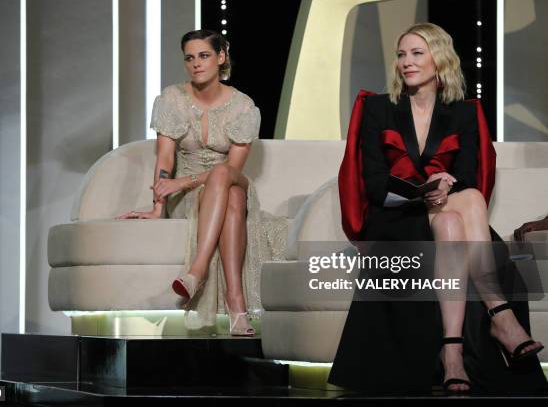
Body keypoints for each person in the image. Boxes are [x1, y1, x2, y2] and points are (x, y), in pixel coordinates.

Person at [329, 23, 547, 395]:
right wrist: (420, 193)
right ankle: (501, 314)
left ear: (439, 58)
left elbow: (467, 176)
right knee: (461, 210)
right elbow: (374, 181)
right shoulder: (377, 108)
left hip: (449, 209)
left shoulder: (462, 113)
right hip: (396, 216)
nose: (406, 62)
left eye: (417, 53)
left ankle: (452, 354)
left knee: (456, 215)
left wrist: (444, 185)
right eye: (401, 54)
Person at [116, 30, 287, 335]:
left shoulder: (243, 106)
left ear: (221, 58)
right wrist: (159, 206)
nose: (196, 64)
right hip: (195, 199)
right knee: (232, 199)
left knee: (225, 176)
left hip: (221, 181)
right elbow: (165, 158)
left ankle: (197, 270)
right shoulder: (172, 98)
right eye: (190, 58)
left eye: (204, 56)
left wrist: (181, 182)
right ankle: (238, 309)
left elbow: (233, 167)